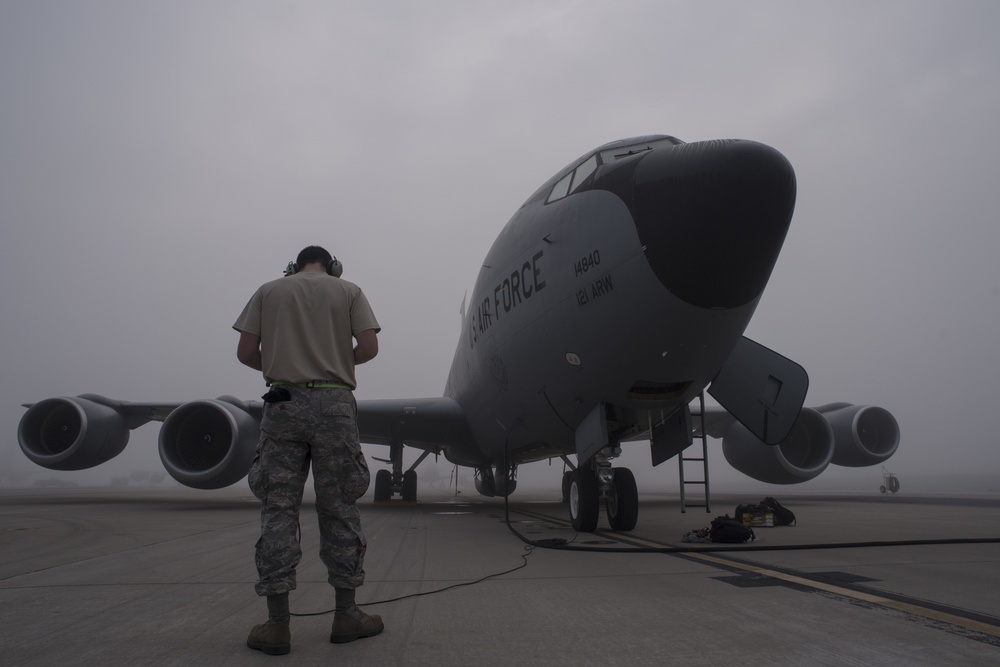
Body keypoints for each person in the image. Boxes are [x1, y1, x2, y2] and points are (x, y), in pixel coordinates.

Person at [233, 245, 382, 655]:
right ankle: (347, 614)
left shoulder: (268, 291)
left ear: (294, 266)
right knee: (339, 507)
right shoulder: (348, 290)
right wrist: (336, 362)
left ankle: (277, 625)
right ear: (331, 266)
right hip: (335, 404)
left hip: (283, 403)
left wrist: (283, 363)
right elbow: (368, 348)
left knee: (278, 507)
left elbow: (246, 352)